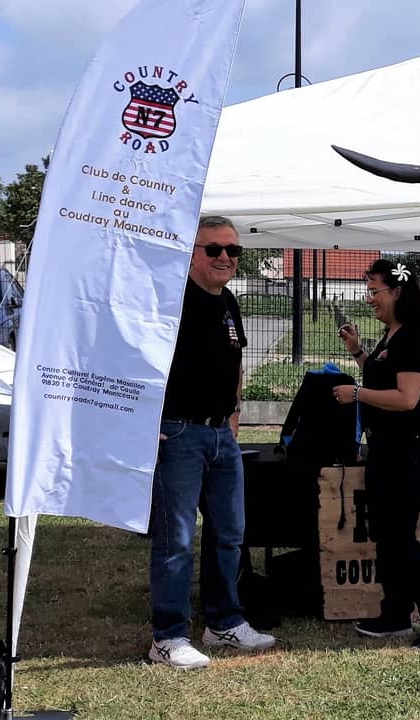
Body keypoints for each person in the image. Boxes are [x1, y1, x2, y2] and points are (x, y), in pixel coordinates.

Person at [148, 215, 276, 669]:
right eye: (214, 249)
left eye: (233, 250)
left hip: (222, 432)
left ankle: (223, 622)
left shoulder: (229, 303)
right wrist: (150, 422)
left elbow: (236, 363)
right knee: (177, 538)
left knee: (230, 533)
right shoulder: (170, 302)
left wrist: (234, 417)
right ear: (192, 253)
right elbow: (142, 363)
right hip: (178, 432)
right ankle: (167, 637)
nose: (225, 258)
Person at [333, 259, 420, 651]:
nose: (370, 299)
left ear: (397, 292)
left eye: (375, 291)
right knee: (386, 537)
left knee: (398, 537)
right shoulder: (392, 335)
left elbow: (407, 398)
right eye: (367, 291)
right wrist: (357, 352)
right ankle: (396, 613)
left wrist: (356, 394)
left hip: (411, 449)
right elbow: (383, 374)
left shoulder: (413, 337)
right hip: (387, 447)